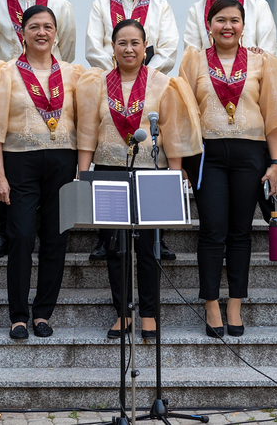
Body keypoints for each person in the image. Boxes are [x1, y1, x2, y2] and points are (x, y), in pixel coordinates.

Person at [76, 19, 201, 339]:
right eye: (122, 43)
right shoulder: (96, 83)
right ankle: (123, 312)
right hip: (108, 171)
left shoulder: (164, 84)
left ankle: (149, 314)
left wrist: (175, 173)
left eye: (135, 43)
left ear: (145, 48)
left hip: (151, 174)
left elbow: (172, 133)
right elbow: (87, 133)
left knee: (148, 248)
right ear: (112, 48)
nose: (128, 49)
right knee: (115, 247)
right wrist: (83, 174)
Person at [0, 5, 84, 340]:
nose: (41, 32)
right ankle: (18, 315)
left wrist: (82, 172)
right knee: (19, 236)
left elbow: (86, 125)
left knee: (56, 238)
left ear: (56, 34)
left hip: (63, 162)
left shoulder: (74, 74)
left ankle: (43, 312)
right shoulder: (4, 73)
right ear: (22, 33)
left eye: (48, 27)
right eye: (34, 26)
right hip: (19, 162)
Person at [179, 0, 277, 338]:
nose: (227, 26)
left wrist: (275, 163)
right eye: (220, 20)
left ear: (243, 26)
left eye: (234, 20)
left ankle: (235, 303)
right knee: (212, 230)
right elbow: (182, 115)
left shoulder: (263, 62)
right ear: (208, 25)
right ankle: (211, 302)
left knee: (240, 231)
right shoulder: (193, 61)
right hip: (207, 155)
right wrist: (179, 163)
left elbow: (273, 115)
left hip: (250, 153)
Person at [0, 0, 76, 261]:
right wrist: (8, 78)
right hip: (13, 91)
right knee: (9, 163)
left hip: (51, 94)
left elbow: (67, 48)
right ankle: (1, 233)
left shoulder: (60, 5)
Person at [84, 0, 181, 262]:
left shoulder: (161, 6)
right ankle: (106, 237)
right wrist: (117, 74)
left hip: (151, 89)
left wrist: (144, 75)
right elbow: (94, 47)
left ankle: (156, 235)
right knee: (110, 162)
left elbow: (169, 48)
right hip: (110, 86)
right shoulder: (100, 5)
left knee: (151, 159)